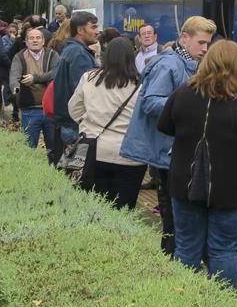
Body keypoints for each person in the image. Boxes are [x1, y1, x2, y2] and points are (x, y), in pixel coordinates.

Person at [157, 40, 237, 287]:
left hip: (185, 185)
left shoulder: (183, 93)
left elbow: (164, 126)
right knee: (223, 250)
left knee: (187, 247)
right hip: (232, 190)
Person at [120, 15, 217, 256]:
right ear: (184, 38)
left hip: (172, 151)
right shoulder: (169, 65)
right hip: (166, 153)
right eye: (201, 43)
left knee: (175, 222)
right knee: (174, 222)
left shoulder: (186, 64)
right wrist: (189, 108)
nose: (205, 49)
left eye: (208, 44)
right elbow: (151, 103)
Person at [68, 38, 147, 208]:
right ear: (131, 57)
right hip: (129, 155)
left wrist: (86, 124)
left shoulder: (89, 78)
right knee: (123, 210)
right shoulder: (141, 85)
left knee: (90, 206)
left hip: (91, 149)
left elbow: (74, 108)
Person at [52, 11, 101, 150]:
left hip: (67, 122)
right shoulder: (79, 54)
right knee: (73, 168)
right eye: (93, 27)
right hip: (74, 125)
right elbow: (84, 93)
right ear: (80, 30)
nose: (97, 32)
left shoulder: (72, 50)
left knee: (64, 168)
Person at [9, 27, 60, 149]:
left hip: (51, 110)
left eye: (38, 38)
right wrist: (16, 90)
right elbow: (14, 77)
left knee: (53, 148)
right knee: (29, 147)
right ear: (26, 42)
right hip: (30, 110)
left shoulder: (52, 55)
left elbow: (56, 73)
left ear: (43, 41)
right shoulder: (19, 57)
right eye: (31, 38)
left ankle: (52, 168)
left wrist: (35, 78)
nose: (35, 41)